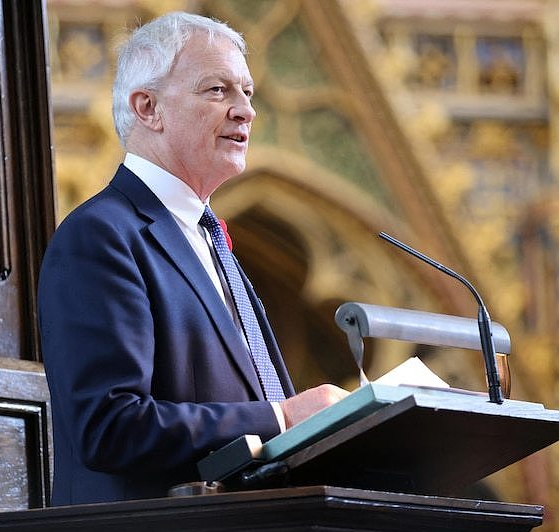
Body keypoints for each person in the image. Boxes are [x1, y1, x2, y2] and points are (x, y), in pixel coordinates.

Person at [38, 11, 349, 505]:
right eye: (217, 90)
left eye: (247, 92)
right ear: (148, 107)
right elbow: (109, 426)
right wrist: (281, 418)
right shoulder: (101, 236)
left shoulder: (210, 240)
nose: (245, 110)